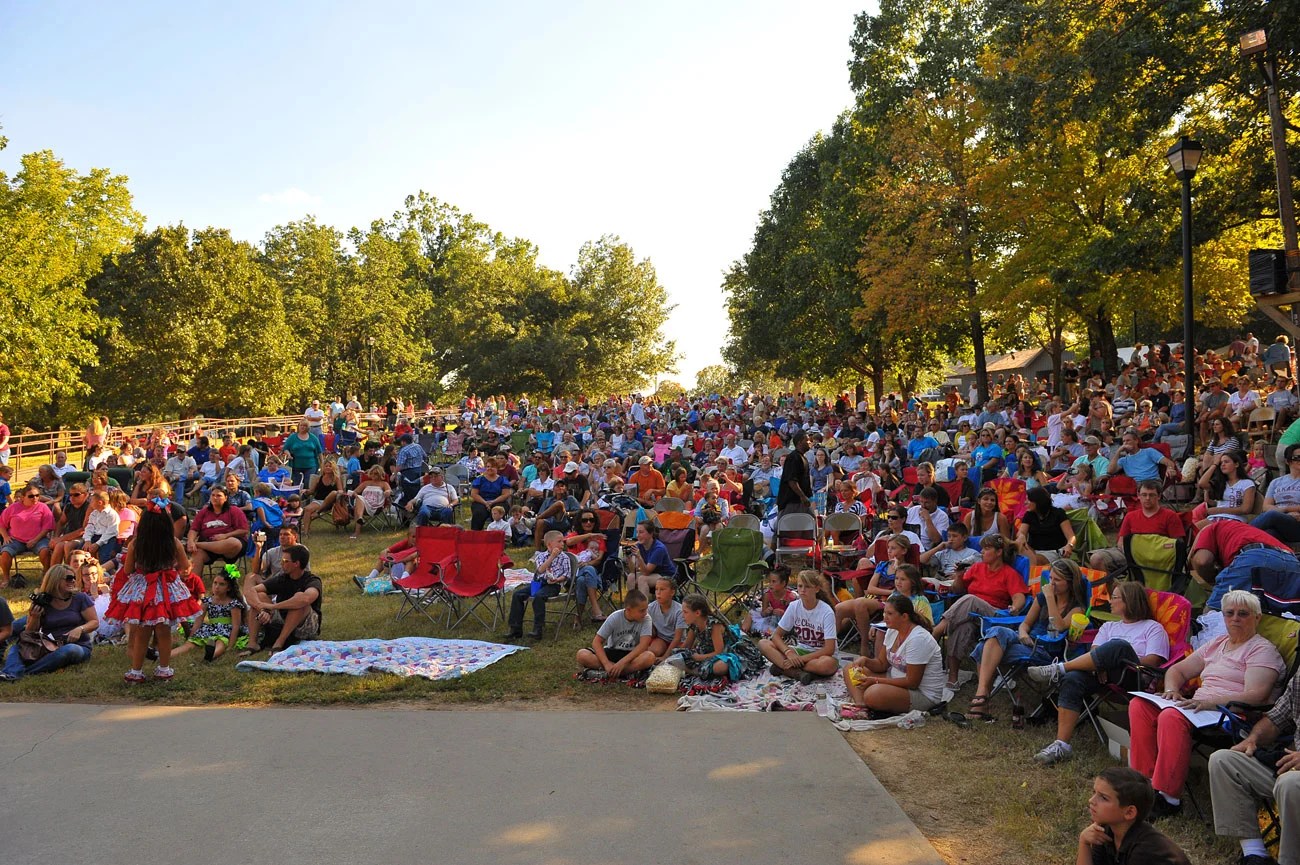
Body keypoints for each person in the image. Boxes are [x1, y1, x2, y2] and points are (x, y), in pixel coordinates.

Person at [1128, 590, 1285, 817]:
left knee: (1171, 716)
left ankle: (1168, 798)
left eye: (1243, 614)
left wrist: (1210, 702)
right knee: (1140, 706)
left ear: (1257, 618)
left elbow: (1256, 696)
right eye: (1229, 613)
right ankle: (1142, 785)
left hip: (1231, 716)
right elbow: (1178, 670)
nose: (1235, 619)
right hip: (1199, 708)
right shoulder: (1218, 643)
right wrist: (1172, 691)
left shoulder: (1261, 650)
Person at [966, 558, 1088, 722]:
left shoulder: (1076, 607)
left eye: (1057, 580)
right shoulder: (1042, 598)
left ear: (1070, 583)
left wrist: (1051, 598)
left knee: (985, 645)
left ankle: (981, 701)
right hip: (1026, 641)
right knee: (996, 632)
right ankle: (982, 693)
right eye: (1050, 578)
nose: (1051, 583)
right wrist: (1023, 633)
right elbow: (1026, 624)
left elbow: (1059, 626)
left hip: (1045, 650)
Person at [1209, 668, 1300, 865]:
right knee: (1223, 760)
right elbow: (1276, 719)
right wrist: (1253, 739)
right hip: (1291, 765)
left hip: (1292, 778)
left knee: (1290, 782)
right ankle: (1255, 855)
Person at [106, 500, 200, 682]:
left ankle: (136, 671)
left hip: (143, 588)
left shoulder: (136, 544)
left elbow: (127, 570)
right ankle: (164, 669)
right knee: (164, 631)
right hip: (166, 588)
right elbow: (185, 566)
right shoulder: (173, 543)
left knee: (142, 632)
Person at [932, 534, 1030, 692]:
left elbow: (1019, 596)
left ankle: (937, 630)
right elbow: (958, 589)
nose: (982, 552)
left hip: (996, 617)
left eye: (987, 548)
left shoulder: (1008, 573)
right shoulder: (977, 568)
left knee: (971, 599)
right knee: (963, 628)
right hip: (974, 616)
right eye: (982, 548)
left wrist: (1015, 607)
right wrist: (958, 576)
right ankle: (953, 678)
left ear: (999, 552)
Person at [842, 593, 945, 717]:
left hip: (922, 694)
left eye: (890, 614)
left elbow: (912, 682)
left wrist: (875, 681)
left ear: (904, 616)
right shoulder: (892, 630)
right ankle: (861, 706)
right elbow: (881, 664)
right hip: (894, 678)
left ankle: (870, 702)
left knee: (873, 693)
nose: (885, 617)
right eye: (884, 613)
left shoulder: (918, 639)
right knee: (849, 668)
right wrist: (865, 660)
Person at [0, 563, 99, 681]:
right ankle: (10, 673)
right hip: (47, 645)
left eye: (74, 578)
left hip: (78, 646)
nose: (73, 581)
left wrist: (80, 629)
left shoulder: (80, 598)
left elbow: (94, 622)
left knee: (69, 650)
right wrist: (35, 617)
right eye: (68, 578)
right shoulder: (42, 601)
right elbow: (30, 633)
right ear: (55, 580)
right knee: (17, 648)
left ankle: (24, 673)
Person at [1077, 767, 1192, 865]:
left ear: (1129, 812)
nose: (1091, 800)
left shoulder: (1145, 852)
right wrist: (1084, 842)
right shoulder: (1105, 830)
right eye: (1094, 793)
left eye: (1104, 798)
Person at [835, 534, 911, 655]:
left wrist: (898, 570)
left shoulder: (907, 569)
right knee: (839, 608)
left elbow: (903, 590)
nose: (889, 551)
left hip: (891, 602)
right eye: (888, 548)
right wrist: (890, 591)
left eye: (893, 548)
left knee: (860, 603)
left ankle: (864, 645)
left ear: (904, 550)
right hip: (874, 598)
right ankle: (832, 644)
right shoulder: (883, 565)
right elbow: (870, 588)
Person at [1089, 480, 1185, 575]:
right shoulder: (1130, 516)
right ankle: (1115, 588)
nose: (1147, 498)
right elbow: (1121, 543)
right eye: (1144, 495)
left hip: (1158, 556)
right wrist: (1133, 553)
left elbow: (1177, 545)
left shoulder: (1170, 516)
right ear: (1138, 496)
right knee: (1096, 559)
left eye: (1151, 495)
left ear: (1159, 496)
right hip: (1132, 555)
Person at [759, 570, 839, 683]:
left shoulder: (826, 612)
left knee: (826, 665)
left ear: (816, 589)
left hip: (820, 655)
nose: (802, 590)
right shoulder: (794, 606)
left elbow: (829, 649)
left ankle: (784, 668)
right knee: (763, 643)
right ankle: (796, 673)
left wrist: (800, 660)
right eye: (800, 586)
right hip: (801, 650)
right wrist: (788, 652)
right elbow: (776, 635)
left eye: (807, 586)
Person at [242, 544, 322, 655]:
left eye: (285, 561)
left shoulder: (312, 580)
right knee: (259, 596)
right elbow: (251, 591)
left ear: (296, 564)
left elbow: (306, 599)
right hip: (282, 618)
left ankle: (278, 644)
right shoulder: (282, 578)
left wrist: (272, 607)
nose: (281, 564)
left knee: (299, 601)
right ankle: (252, 643)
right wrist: (261, 607)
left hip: (305, 625)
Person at [675, 592, 764, 681]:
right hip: (707, 652)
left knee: (720, 666)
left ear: (697, 613)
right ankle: (697, 670)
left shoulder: (714, 625)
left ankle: (695, 671)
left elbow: (719, 652)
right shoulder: (694, 624)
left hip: (729, 653)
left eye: (685, 612)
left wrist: (699, 657)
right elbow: (687, 646)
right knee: (677, 654)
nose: (683, 615)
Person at [504, 530, 574, 640]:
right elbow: (540, 570)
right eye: (559, 541)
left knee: (538, 597)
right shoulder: (541, 556)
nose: (562, 544)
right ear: (549, 544)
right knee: (518, 594)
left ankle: (538, 629)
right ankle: (515, 628)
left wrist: (557, 580)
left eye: (563, 542)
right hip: (538, 583)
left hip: (553, 585)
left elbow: (566, 575)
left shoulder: (564, 558)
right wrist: (552, 557)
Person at [575, 588, 656, 679]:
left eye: (646, 609)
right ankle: (623, 672)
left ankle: (609, 673)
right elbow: (596, 642)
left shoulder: (646, 618)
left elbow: (644, 645)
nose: (645, 613)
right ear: (628, 610)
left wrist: (622, 663)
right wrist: (606, 664)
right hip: (612, 651)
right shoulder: (615, 617)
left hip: (632, 655)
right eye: (641, 610)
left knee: (649, 657)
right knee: (582, 654)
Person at [171, 566, 246, 661]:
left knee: (221, 642)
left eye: (222, 584)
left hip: (226, 630)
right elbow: (198, 621)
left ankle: (210, 656)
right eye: (215, 583)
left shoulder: (233, 604)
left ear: (229, 588)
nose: (217, 587)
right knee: (191, 643)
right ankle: (162, 655)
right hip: (211, 628)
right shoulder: (207, 601)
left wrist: (230, 646)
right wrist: (191, 637)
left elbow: (236, 626)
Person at [0, 483, 55, 587]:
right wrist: (5, 536)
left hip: (38, 539)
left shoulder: (43, 507)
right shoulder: (13, 508)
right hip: (16, 540)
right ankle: (6, 578)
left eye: (37, 495)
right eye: (31, 496)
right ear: (23, 497)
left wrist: (35, 540)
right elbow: (1, 524)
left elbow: (47, 527)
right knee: (5, 552)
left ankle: (46, 576)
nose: (35, 498)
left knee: (45, 551)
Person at [187, 486, 250, 573]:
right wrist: (190, 541)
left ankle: (198, 544)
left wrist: (225, 536)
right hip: (208, 546)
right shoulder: (204, 511)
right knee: (197, 554)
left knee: (234, 543)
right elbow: (194, 529)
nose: (215, 498)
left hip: (229, 547)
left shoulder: (235, 510)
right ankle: (193, 585)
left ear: (226, 498)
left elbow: (244, 530)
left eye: (219, 495)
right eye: (213, 495)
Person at [1017, 486, 1076, 566]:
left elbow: (1071, 537)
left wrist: (1069, 545)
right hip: (1032, 550)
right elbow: (1021, 532)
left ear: (1038, 501)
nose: (1025, 502)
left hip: (1053, 551)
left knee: (1033, 560)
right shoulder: (1029, 515)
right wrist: (1021, 537)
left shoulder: (1058, 513)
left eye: (1028, 500)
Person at [1197, 451, 1257, 527]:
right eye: (1221, 463)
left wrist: (1218, 510)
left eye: (1226, 462)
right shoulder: (1221, 482)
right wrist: (1215, 464)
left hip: (1235, 519)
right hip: (1214, 518)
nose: (1223, 464)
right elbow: (1201, 483)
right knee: (1191, 531)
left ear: (1236, 464)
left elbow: (1246, 509)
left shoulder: (1247, 483)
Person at [625, 520, 677, 597]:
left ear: (651, 533)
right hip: (652, 574)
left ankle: (644, 607)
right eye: (637, 532)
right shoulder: (638, 545)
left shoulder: (659, 548)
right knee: (631, 576)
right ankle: (633, 604)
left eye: (641, 532)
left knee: (642, 579)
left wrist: (639, 557)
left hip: (666, 575)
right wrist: (628, 557)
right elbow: (633, 570)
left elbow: (646, 572)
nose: (637, 535)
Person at [742, 564, 796, 636]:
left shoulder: (790, 597)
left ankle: (772, 634)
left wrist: (784, 613)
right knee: (750, 614)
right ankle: (742, 634)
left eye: (774, 582)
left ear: (783, 583)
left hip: (783, 622)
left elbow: (794, 616)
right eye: (769, 581)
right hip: (770, 619)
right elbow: (763, 613)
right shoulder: (767, 595)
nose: (770, 584)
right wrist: (767, 611)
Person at [348, 465, 392, 540]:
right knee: (359, 498)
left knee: (359, 501)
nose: (373, 475)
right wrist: (355, 495)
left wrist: (387, 492)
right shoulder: (366, 483)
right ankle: (360, 520)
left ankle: (357, 530)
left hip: (376, 506)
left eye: (376, 474)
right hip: (364, 504)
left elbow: (389, 491)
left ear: (380, 474)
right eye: (372, 473)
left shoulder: (384, 484)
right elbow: (354, 492)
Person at [645, 576, 685, 659]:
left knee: (678, 655)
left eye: (662, 589)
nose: (658, 593)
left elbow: (677, 638)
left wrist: (665, 656)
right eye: (656, 589)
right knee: (654, 651)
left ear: (672, 592)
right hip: (661, 639)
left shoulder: (679, 610)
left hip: (678, 641)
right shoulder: (651, 608)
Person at [469, 459, 512, 531]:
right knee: (479, 513)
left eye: (492, 467)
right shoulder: (479, 480)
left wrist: (493, 502)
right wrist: (485, 503)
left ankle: (498, 535)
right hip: (481, 502)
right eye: (488, 466)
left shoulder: (503, 480)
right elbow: (474, 494)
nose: (489, 468)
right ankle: (475, 535)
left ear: (497, 468)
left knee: (497, 512)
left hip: (499, 501)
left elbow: (505, 495)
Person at [281, 420, 324, 487]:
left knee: (308, 484)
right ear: (298, 426)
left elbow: (319, 451)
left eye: (305, 426)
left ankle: (307, 497)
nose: (302, 427)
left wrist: (322, 463)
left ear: (308, 427)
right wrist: (288, 454)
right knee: (297, 485)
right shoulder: (292, 437)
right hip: (296, 466)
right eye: (301, 425)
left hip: (311, 465)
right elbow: (285, 448)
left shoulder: (313, 438)